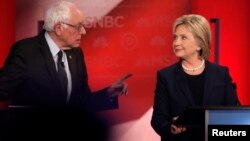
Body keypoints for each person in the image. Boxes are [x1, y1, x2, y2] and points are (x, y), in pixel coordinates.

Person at [151, 14, 239, 141]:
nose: (176, 42)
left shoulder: (221, 74)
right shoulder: (166, 76)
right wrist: (170, 127)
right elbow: (158, 119)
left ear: (200, 44)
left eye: (183, 38)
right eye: (175, 37)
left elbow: (233, 114)